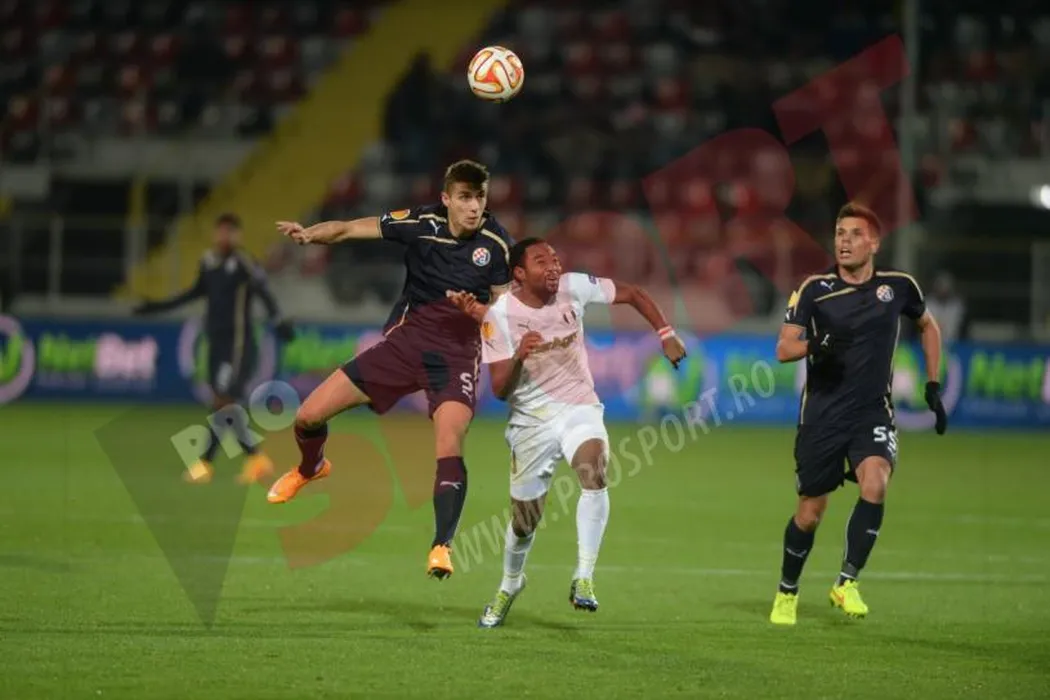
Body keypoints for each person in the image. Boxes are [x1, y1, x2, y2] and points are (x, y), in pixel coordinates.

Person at [269, 159, 514, 580]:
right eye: (465, 197)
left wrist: (483, 318)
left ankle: (441, 546)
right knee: (308, 415)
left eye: (480, 197)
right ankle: (311, 468)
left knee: (450, 441)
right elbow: (349, 229)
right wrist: (309, 235)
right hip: (404, 346)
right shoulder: (420, 222)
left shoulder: (497, 244)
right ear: (446, 199)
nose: (474, 207)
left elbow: (506, 313)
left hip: (456, 356)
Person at [448, 237, 686, 628]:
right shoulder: (498, 317)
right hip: (530, 422)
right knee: (524, 522)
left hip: (579, 406)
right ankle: (510, 583)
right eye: (541, 261)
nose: (554, 267)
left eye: (555, 259)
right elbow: (500, 389)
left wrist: (665, 333)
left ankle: (584, 576)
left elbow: (633, 293)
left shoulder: (574, 286)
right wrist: (520, 356)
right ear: (519, 273)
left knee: (595, 470)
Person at [769, 202, 947, 626]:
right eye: (839, 233)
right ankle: (787, 590)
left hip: (872, 413)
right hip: (822, 416)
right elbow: (784, 348)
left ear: (874, 243)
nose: (844, 242)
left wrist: (932, 383)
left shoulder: (899, 287)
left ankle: (846, 581)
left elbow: (928, 326)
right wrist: (816, 345)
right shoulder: (815, 289)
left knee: (876, 482)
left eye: (854, 234)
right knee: (809, 514)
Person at [134, 213, 294, 484]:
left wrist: (278, 320)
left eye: (230, 232)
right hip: (216, 344)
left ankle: (207, 463)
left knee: (223, 401)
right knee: (223, 405)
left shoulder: (243, 263)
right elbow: (193, 293)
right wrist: (157, 307)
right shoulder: (208, 263)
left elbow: (264, 292)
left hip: (237, 345)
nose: (224, 237)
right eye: (221, 231)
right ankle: (255, 460)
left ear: (238, 236)